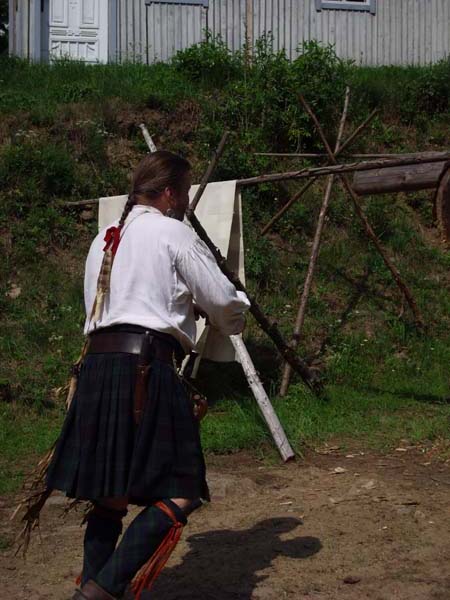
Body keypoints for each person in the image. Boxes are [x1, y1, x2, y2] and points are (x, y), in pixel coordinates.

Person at [45, 151, 250, 600]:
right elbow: (220, 301)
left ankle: (93, 590)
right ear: (172, 193)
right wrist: (235, 313)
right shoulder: (173, 233)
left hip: (98, 369)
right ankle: (100, 590)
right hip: (145, 369)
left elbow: (106, 310)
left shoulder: (104, 238)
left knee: (110, 496)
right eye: (185, 193)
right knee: (182, 489)